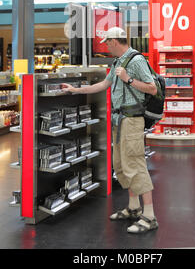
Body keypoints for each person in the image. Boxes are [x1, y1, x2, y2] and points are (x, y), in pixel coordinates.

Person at [61, 26, 158, 234]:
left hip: (132, 120)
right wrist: (75, 90)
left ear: (115, 41)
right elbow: (103, 85)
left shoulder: (136, 60)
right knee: (122, 164)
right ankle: (134, 207)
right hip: (119, 120)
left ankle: (149, 216)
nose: (106, 46)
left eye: (107, 43)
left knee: (135, 163)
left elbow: (152, 88)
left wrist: (128, 79)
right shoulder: (117, 62)